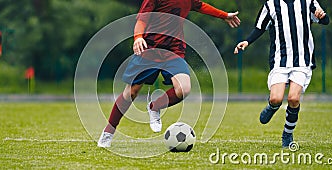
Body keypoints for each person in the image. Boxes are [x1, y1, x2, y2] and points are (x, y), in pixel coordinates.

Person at [97, 0, 241, 148]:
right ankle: (108, 132)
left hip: (173, 50)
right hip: (150, 48)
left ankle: (155, 107)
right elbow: (142, 19)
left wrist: (224, 15)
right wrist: (138, 37)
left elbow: (200, 6)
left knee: (184, 89)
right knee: (131, 93)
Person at [234, 0, 329, 147]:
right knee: (276, 99)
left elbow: (325, 21)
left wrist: (322, 16)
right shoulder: (271, 5)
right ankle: (272, 106)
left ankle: (287, 134)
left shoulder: (308, 2)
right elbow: (259, 28)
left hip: (302, 61)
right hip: (280, 61)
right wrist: (247, 41)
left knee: (293, 99)